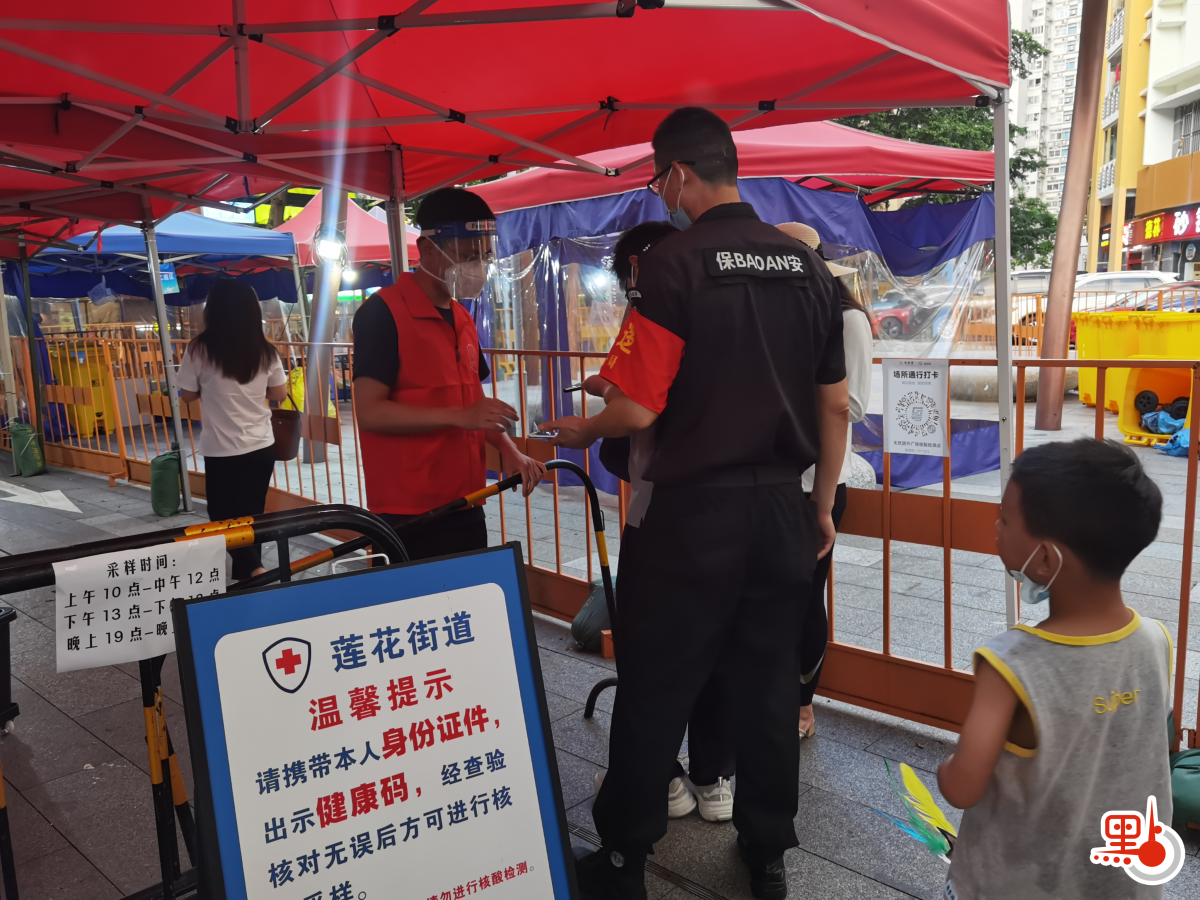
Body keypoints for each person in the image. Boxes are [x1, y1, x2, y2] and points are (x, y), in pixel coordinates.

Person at [544, 107, 850, 900]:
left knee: (655, 684)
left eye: (658, 181)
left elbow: (638, 408)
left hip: (688, 518)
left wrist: (582, 427)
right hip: (781, 511)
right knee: (769, 688)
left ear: (678, 173)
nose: (661, 194)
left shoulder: (672, 266)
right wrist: (820, 506)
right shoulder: (808, 267)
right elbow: (836, 405)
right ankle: (767, 853)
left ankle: (623, 861)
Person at [938, 438, 1171, 900]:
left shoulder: (1010, 666)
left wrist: (947, 768)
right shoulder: (1155, 640)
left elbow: (962, 787)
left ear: (1046, 558)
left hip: (1016, 885)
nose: (996, 526)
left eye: (1005, 518)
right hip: (1124, 881)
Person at [352, 188, 545, 561]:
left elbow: (473, 404)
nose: (478, 267)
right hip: (408, 509)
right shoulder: (382, 313)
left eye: (485, 256)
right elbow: (371, 411)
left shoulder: (462, 317)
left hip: (467, 498)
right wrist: (459, 416)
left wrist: (509, 450)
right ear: (427, 249)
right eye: (468, 256)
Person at [775, 222, 873, 738]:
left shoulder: (847, 319)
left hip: (818, 483)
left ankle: (803, 705)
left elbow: (850, 405)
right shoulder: (771, 315)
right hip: (767, 478)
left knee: (807, 595)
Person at [177, 279, 287, 579]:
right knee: (252, 513)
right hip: (261, 445)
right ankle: (247, 573)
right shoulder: (265, 350)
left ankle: (253, 569)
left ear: (212, 311)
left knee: (221, 515)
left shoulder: (199, 349)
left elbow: (187, 395)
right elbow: (279, 393)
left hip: (221, 449)